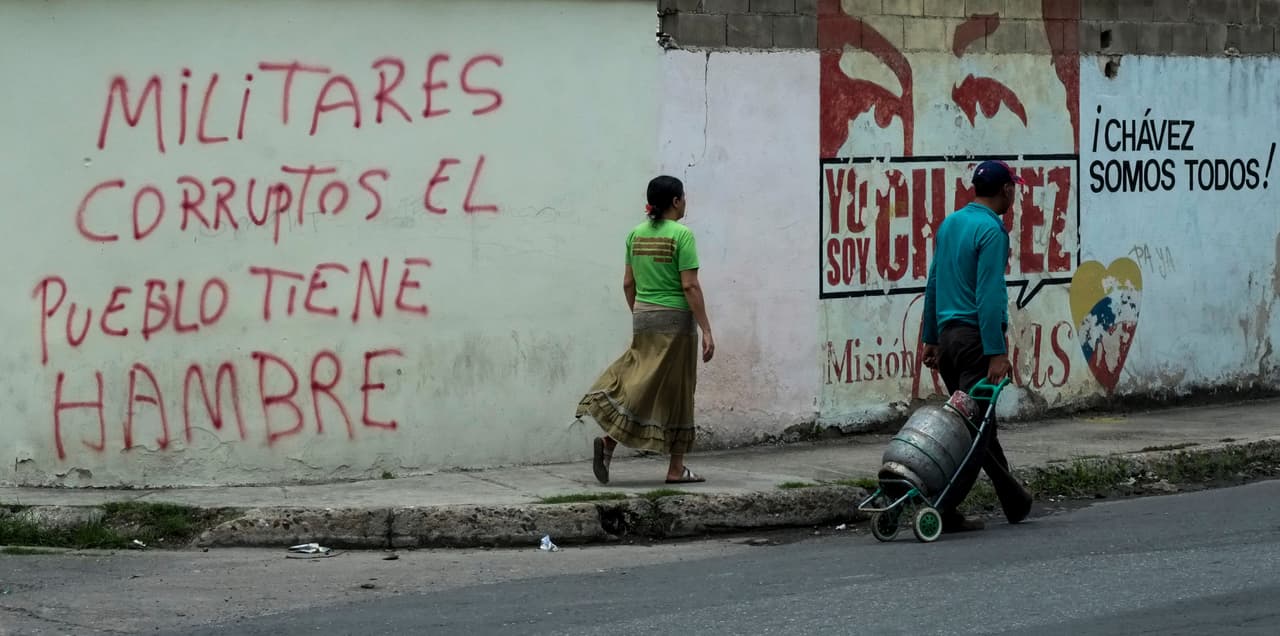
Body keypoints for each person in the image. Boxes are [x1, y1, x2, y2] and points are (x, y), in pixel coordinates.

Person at [576, 175, 715, 485]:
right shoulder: (682, 235)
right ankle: (674, 468)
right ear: (676, 201)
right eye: (684, 198)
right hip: (675, 321)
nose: (685, 203)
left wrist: (640, 313)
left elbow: (628, 283)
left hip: (643, 315)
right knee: (677, 391)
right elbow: (689, 285)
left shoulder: (635, 235)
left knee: (646, 381)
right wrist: (706, 328)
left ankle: (616, 445)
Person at [920, 160, 1034, 533]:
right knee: (971, 434)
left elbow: (934, 282)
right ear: (1006, 190)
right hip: (974, 342)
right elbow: (989, 295)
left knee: (978, 424)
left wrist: (932, 338)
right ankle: (943, 507)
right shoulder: (992, 231)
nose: (1013, 194)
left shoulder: (951, 224)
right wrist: (997, 351)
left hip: (950, 339)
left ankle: (1014, 499)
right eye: (1013, 188)